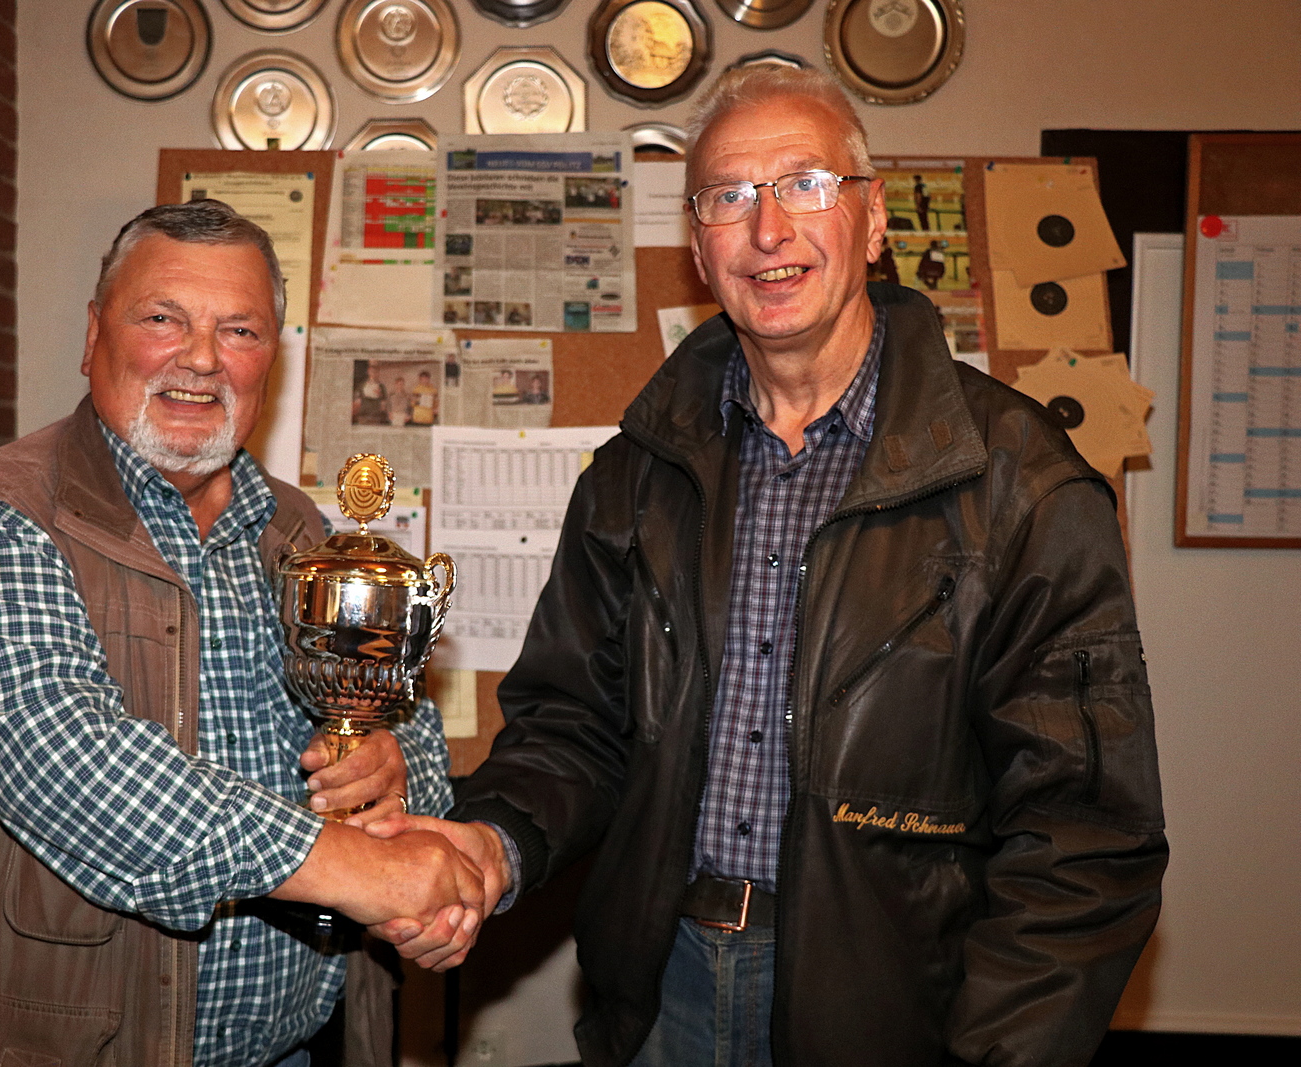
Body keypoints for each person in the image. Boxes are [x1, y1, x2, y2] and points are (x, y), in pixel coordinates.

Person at [373, 66, 1167, 1067]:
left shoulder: (1023, 486)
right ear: (697, 248)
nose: (768, 229)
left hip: (897, 1004)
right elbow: (573, 725)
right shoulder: (635, 474)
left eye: (804, 184)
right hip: (662, 985)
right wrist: (494, 842)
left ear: (871, 220)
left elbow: (1083, 837)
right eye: (728, 198)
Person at [0, 200, 483, 1067]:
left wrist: (390, 770)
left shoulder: (301, 532)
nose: (200, 359)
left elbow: (409, 723)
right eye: (162, 319)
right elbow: (77, 767)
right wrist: (367, 873)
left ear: (274, 356)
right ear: (93, 336)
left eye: (240, 330)